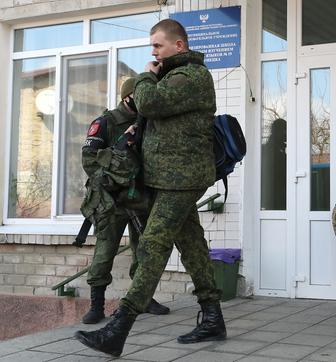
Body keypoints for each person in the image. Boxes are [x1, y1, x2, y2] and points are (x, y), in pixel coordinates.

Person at [75, 19, 224, 357]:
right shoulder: (172, 77)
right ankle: (213, 316)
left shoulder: (191, 77)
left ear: (179, 46)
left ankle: (118, 328)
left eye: (158, 45)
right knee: (193, 246)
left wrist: (144, 74)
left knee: (153, 245)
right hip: (173, 178)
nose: (153, 52)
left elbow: (149, 103)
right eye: (152, 47)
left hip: (181, 178)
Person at [79, 78, 170, 324]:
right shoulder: (106, 123)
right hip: (111, 200)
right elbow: (89, 160)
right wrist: (113, 173)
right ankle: (96, 305)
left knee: (145, 250)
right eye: (138, 96)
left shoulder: (148, 122)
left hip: (140, 197)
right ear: (127, 97)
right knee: (105, 251)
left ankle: (144, 298)